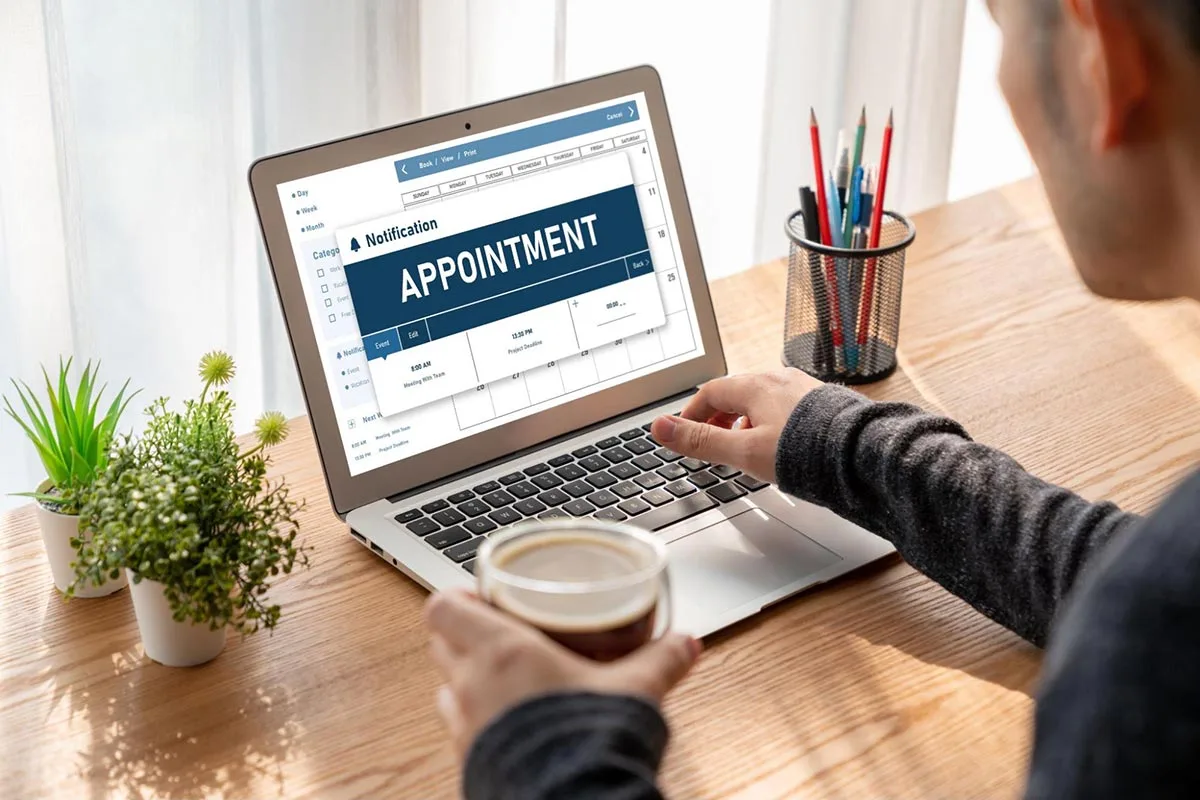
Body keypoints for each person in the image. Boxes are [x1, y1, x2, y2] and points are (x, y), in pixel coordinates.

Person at [425, 0, 1200, 796]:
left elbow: (1156, 608)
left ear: (1103, 56)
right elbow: (1123, 571)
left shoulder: (1149, 657)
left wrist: (547, 753)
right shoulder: (1168, 604)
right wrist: (849, 445)